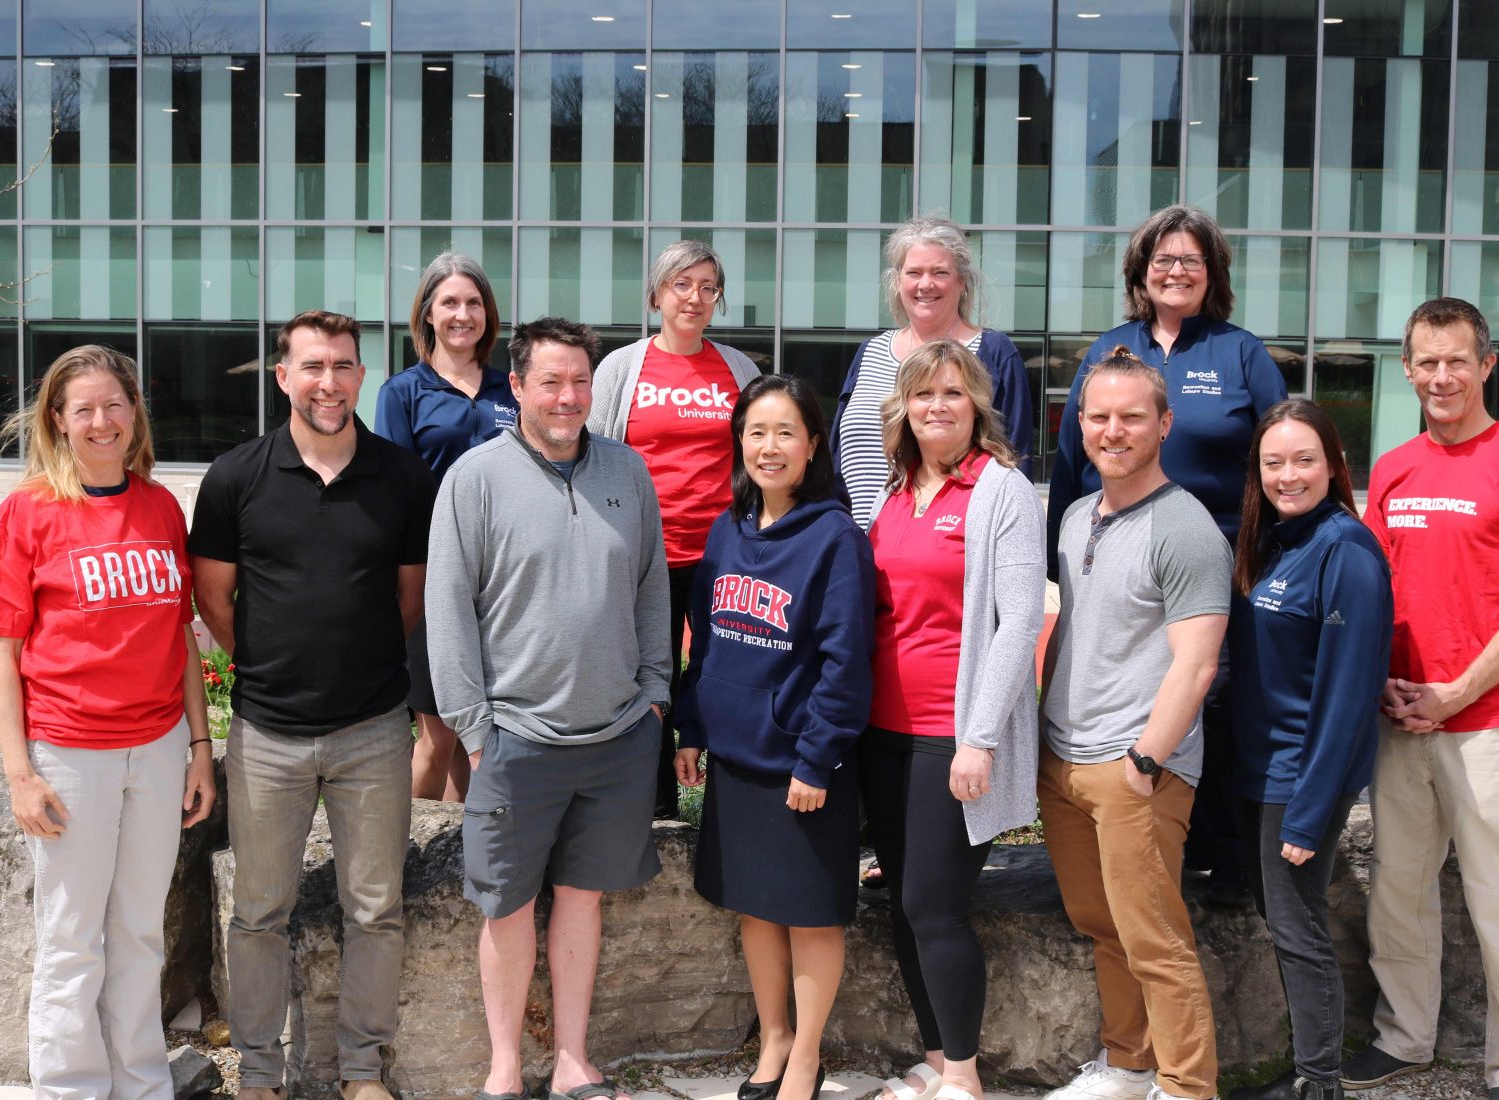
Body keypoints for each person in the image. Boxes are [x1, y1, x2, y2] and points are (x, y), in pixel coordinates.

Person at [190, 310, 436, 1100]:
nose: (328, 382)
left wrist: (350, 665)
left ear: (362, 376)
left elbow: (408, 599)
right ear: (283, 376)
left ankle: (362, 1070)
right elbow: (215, 601)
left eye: (343, 366)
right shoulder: (236, 476)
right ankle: (261, 1074)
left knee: (377, 911)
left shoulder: (401, 477)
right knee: (260, 913)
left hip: (373, 732)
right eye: (313, 366)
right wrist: (275, 666)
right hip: (268, 734)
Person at [428, 317, 670, 1100]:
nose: (568, 397)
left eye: (579, 382)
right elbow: (448, 610)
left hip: (616, 732)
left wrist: (657, 695)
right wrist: (472, 730)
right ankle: (504, 1066)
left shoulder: (627, 472)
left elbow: (650, 588)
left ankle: (572, 1060)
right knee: (506, 905)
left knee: (583, 899)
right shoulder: (474, 478)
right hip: (513, 736)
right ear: (519, 388)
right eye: (551, 382)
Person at [1341, 298, 1499, 1100]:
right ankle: (1406, 1039)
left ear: (1486, 365)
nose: (1441, 376)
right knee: (1397, 896)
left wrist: (1455, 693)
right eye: (1426, 362)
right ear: (1407, 369)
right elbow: (1374, 587)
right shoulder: (1397, 469)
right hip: (1401, 721)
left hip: (1486, 726)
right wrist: (1386, 686)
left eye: (1456, 361)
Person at [0, 344, 214, 1100]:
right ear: (58, 421)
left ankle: (141, 1084)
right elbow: (2, 654)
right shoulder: (29, 511)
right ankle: (70, 1089)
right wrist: (20, 773)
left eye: (115, 404)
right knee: (72, 940)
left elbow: (177, 638)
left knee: (140, 933)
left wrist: (200, 747)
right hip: (71, 752)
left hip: (160, 746)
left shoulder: (161, 505)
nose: (102, 421)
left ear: (135, 412)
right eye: (84, 409)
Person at [1045, 204, 1287, 909]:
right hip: (1116, 559)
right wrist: (1061, 558)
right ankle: (1131, 841)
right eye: (1163, 259)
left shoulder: (1239, 352)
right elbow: (1069, 461)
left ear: (1212, 274)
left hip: (1215, 564)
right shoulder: (1110, 349)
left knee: (1212, 699)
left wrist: (1272, 556)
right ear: (1140, 272)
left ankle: (1221, 854)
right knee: (1131, 697)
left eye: (1191, 260)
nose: (1175, 271)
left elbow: (1276, 455)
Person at [673, 374, 875, 1100]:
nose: (769, 446)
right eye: (756, 431)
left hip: (801, 765)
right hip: (736, 759)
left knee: (810, 916)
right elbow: (707, 645)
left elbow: (847, 662)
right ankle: (774, 1038)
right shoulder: (726, 530)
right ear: (739, 442)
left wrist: (818, 757)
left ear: (814, 443)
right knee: (755, 909)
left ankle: (806, 1059)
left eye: (786, 431)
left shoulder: (835, 539)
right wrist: (692, 727)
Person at [1038, 348, 1231, 1100]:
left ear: (1164, 424)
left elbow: (1197, 664)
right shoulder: (1081, 513)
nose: (1113, 430)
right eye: (1099, 416)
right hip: (1066, 759)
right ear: (1079, 422)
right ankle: (1127, 1064)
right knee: (1103, 925)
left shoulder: (1184, 529)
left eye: (1131, 417)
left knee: (1155, 940)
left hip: (1135, 769)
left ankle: (1187, 1086)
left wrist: (1146, 761)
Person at [861, 340, 1044, 1100]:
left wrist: (980, 737)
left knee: (935, 905)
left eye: (953, 393)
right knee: (903, 901)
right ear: (902, 406)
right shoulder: (893, 493)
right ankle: (934, 1057)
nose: (938, 407)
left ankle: (965, 1077)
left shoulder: (1001, 488)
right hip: (884, 732)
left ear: (977, 405)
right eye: (923, 394)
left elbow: (1020, 617)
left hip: (953, 734)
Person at [1227, 400, 1393, 1100]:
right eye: (1274, 462)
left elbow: (1349, 697)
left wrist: (1309, 810)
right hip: (1255, 771)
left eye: (1304, 460)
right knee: (1280, 920)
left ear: (1334, 466)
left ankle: (1317, 1084)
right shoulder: (1275, 539)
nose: (1288, 475)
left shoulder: (1347, 551)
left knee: (1299, 932)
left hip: (1297, 780)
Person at [590, 239, 762, 819]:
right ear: (658, 293)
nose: (694, 297)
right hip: (645, 557)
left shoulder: (740, 369)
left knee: (723, 675)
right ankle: (654, 811)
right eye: (681, 284)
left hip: (724, 557)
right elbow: (594, 456)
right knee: (648, 682)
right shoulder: (621, 367)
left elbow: (760, 457)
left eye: (707, 287)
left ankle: (727, 811)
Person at [377, 251, 516, 802]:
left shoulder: (514, 390)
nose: (463, 314)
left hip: (504, 579)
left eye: (474, 302)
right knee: (437, 731)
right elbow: (394, 492)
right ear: (427, 315)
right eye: (450, 302)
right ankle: (402, 858)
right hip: (435, 577)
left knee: (477, 734)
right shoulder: (403, 392)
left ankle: (456, 863)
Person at [834, 214, 1036, 531]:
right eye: (913, 272)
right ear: (897, 281)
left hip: (948, 556)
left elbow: (1016, 463)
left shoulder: (994, 354)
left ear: (961, 281)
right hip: (856, 549)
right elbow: (836, 463)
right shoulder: (868, 353)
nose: (925, 284)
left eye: (939, 272)